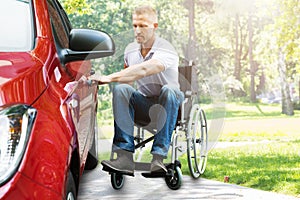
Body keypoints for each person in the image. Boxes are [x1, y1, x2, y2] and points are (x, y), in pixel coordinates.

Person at [89, 5, 184, 175]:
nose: (137, 30)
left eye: (143, 25)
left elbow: (145, 69)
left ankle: (158, 158)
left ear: (154, 26)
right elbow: (129, 78)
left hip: (169, 107)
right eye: (135, 26)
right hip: (145, 106)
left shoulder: (166, 49)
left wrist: (109, 77)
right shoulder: (130, 50)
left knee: (169, 90)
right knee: (122, 89)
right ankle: (124, 157)